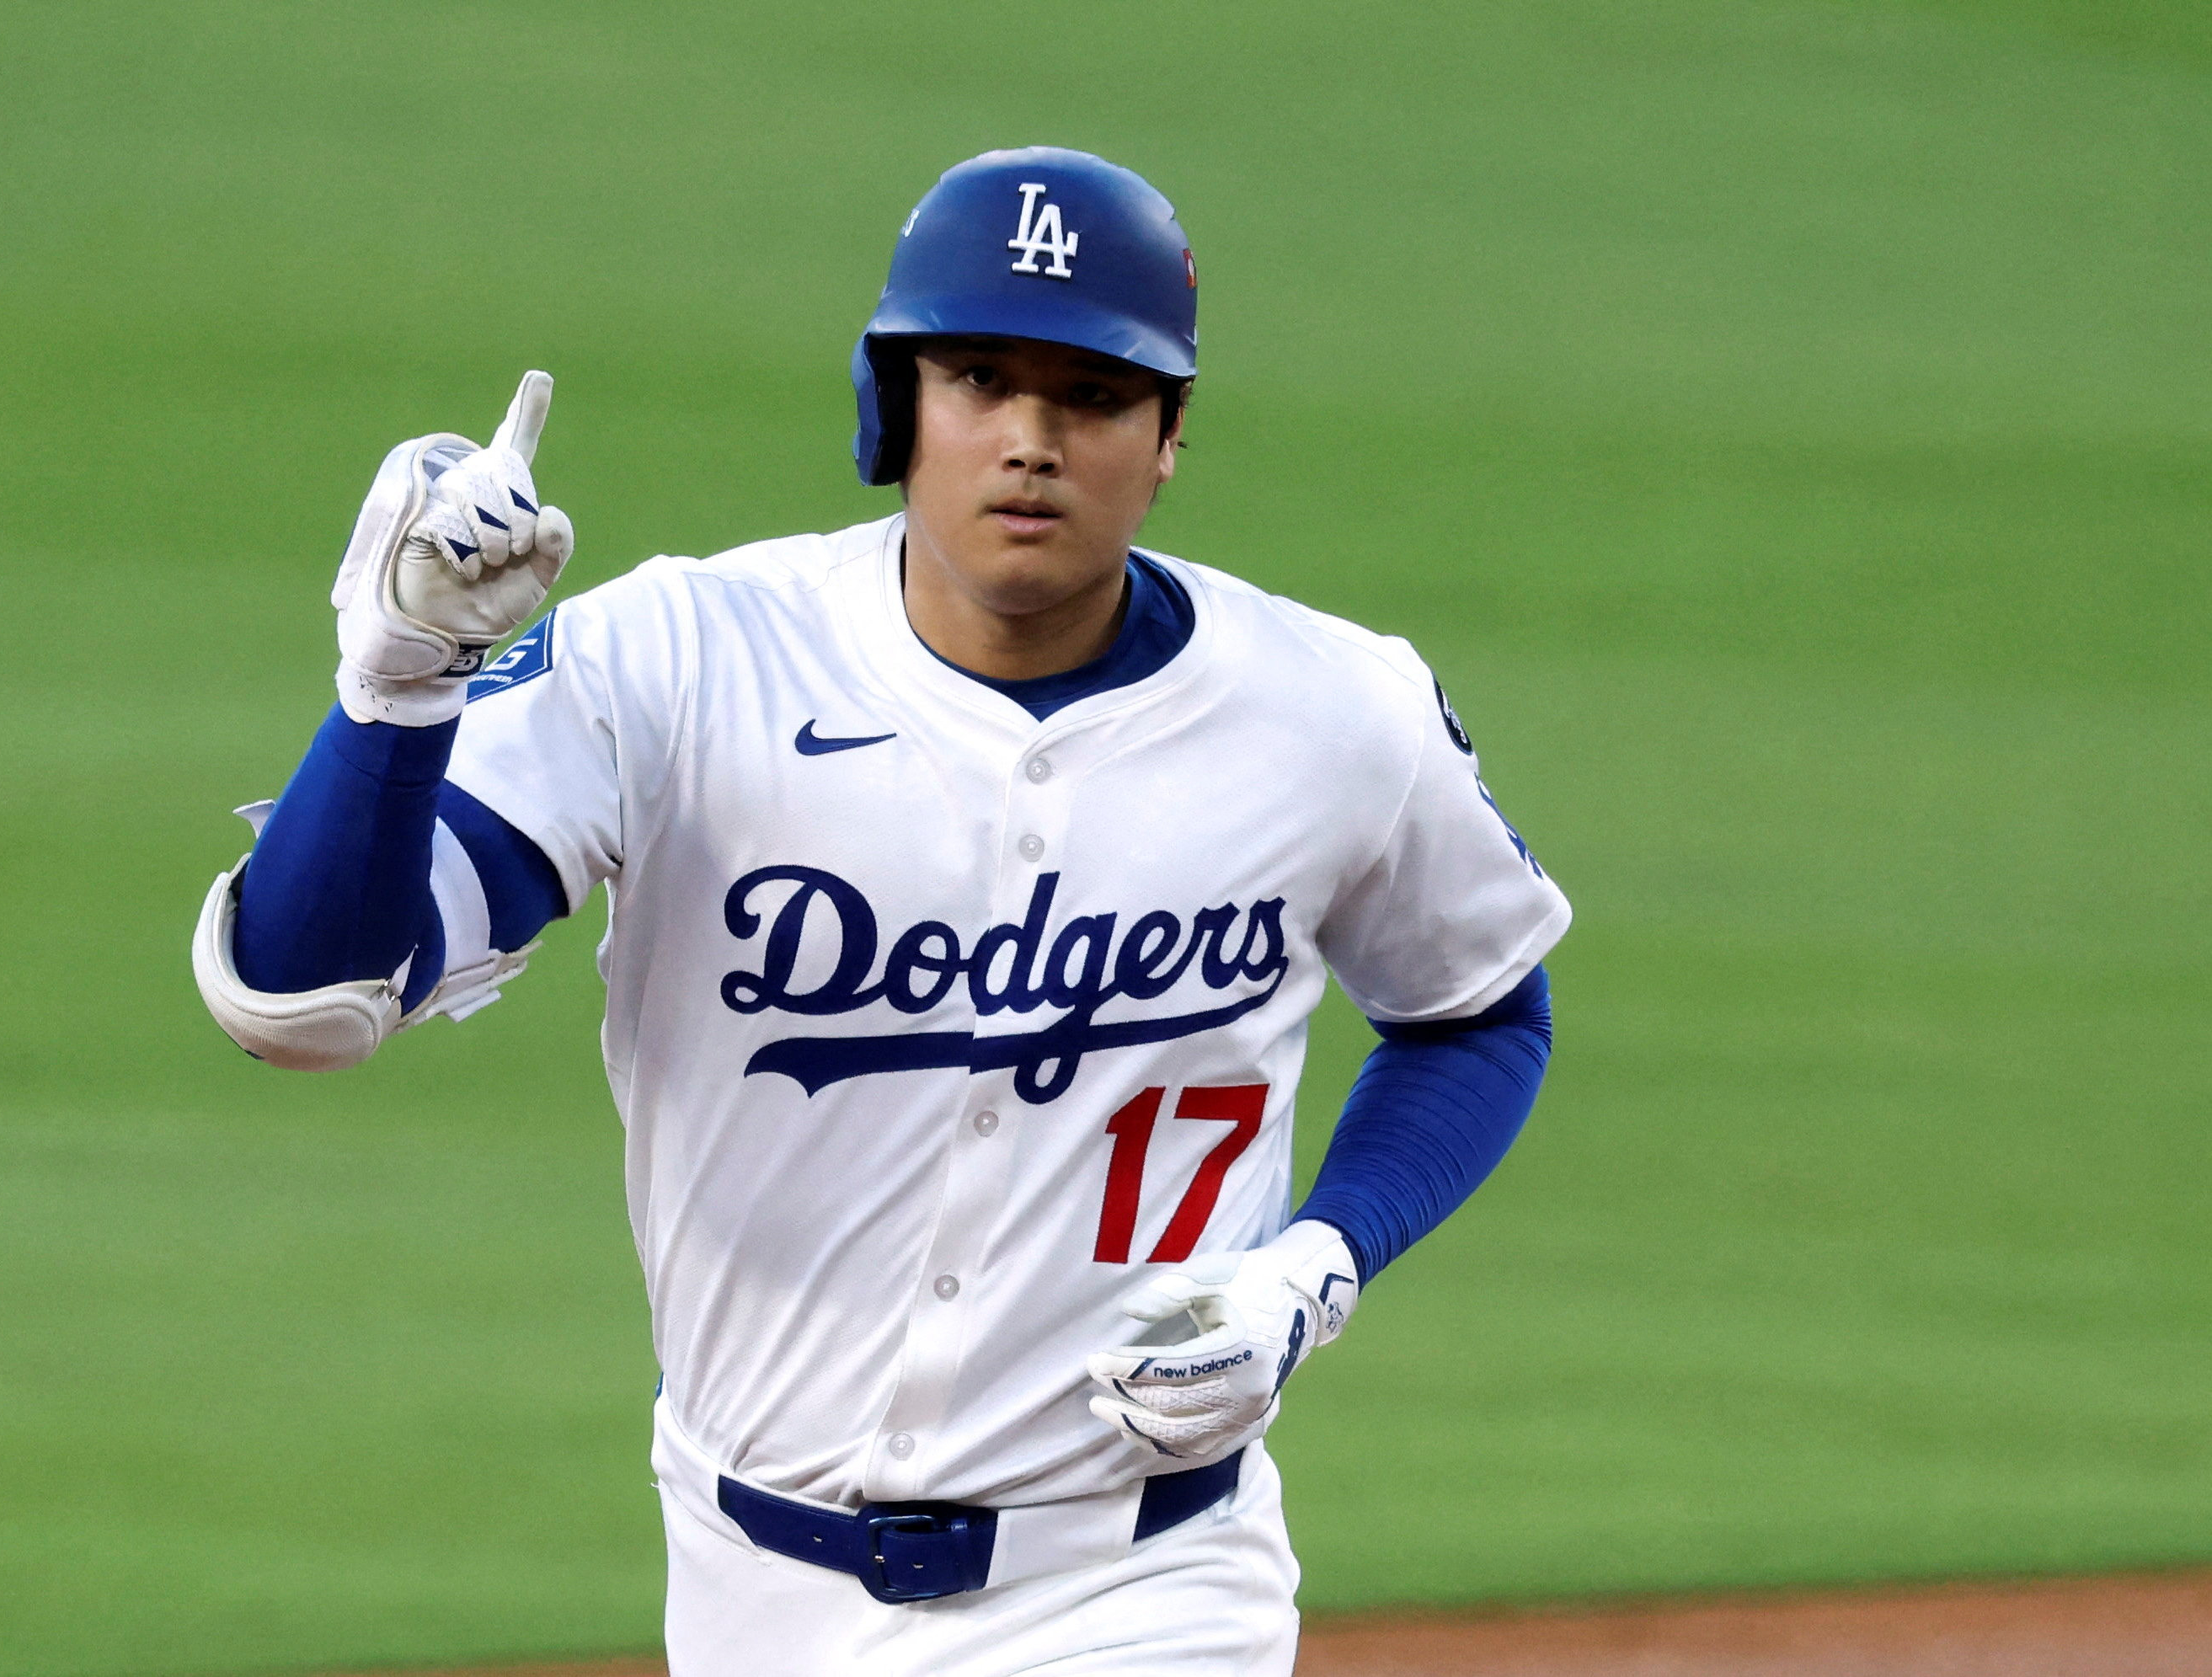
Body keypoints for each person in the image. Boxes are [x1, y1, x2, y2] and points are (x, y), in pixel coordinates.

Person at [192, 146, 1569, 1675]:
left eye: (1094, 396)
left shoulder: (1328, 712)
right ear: (892, 406)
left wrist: (1315, 1266)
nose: (1031, 442)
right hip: (746, 1588)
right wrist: (395, 691)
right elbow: (304, 1001)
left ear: (1170, 435)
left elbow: (1479, 1010)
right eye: (979, 378)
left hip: (1150, 1591)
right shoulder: (679, 665)